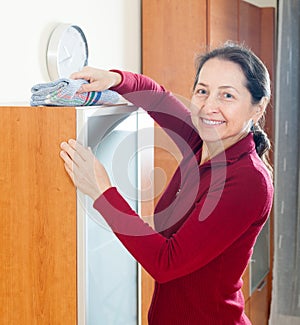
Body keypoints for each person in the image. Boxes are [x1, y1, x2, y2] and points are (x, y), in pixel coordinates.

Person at [60, 42, 274, 325]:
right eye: (202, 91)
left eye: (227, 95)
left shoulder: (248, 180)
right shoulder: (201, 142)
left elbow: (167, 262)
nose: (209, 106)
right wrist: (116, 79)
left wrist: (102, 191)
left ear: (257, 109)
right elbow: (158, 98)